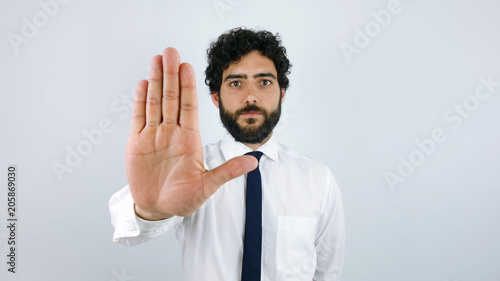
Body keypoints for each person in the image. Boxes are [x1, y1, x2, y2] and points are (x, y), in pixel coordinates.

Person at [109, 27, 345, 281]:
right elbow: (126, 231)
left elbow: (327, 273)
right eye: (235, 83)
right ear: (215, 97)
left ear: (282, 94)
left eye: (264, 82)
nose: (251, 96)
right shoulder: (187, 168)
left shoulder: (318, 180)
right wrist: (152, 211)